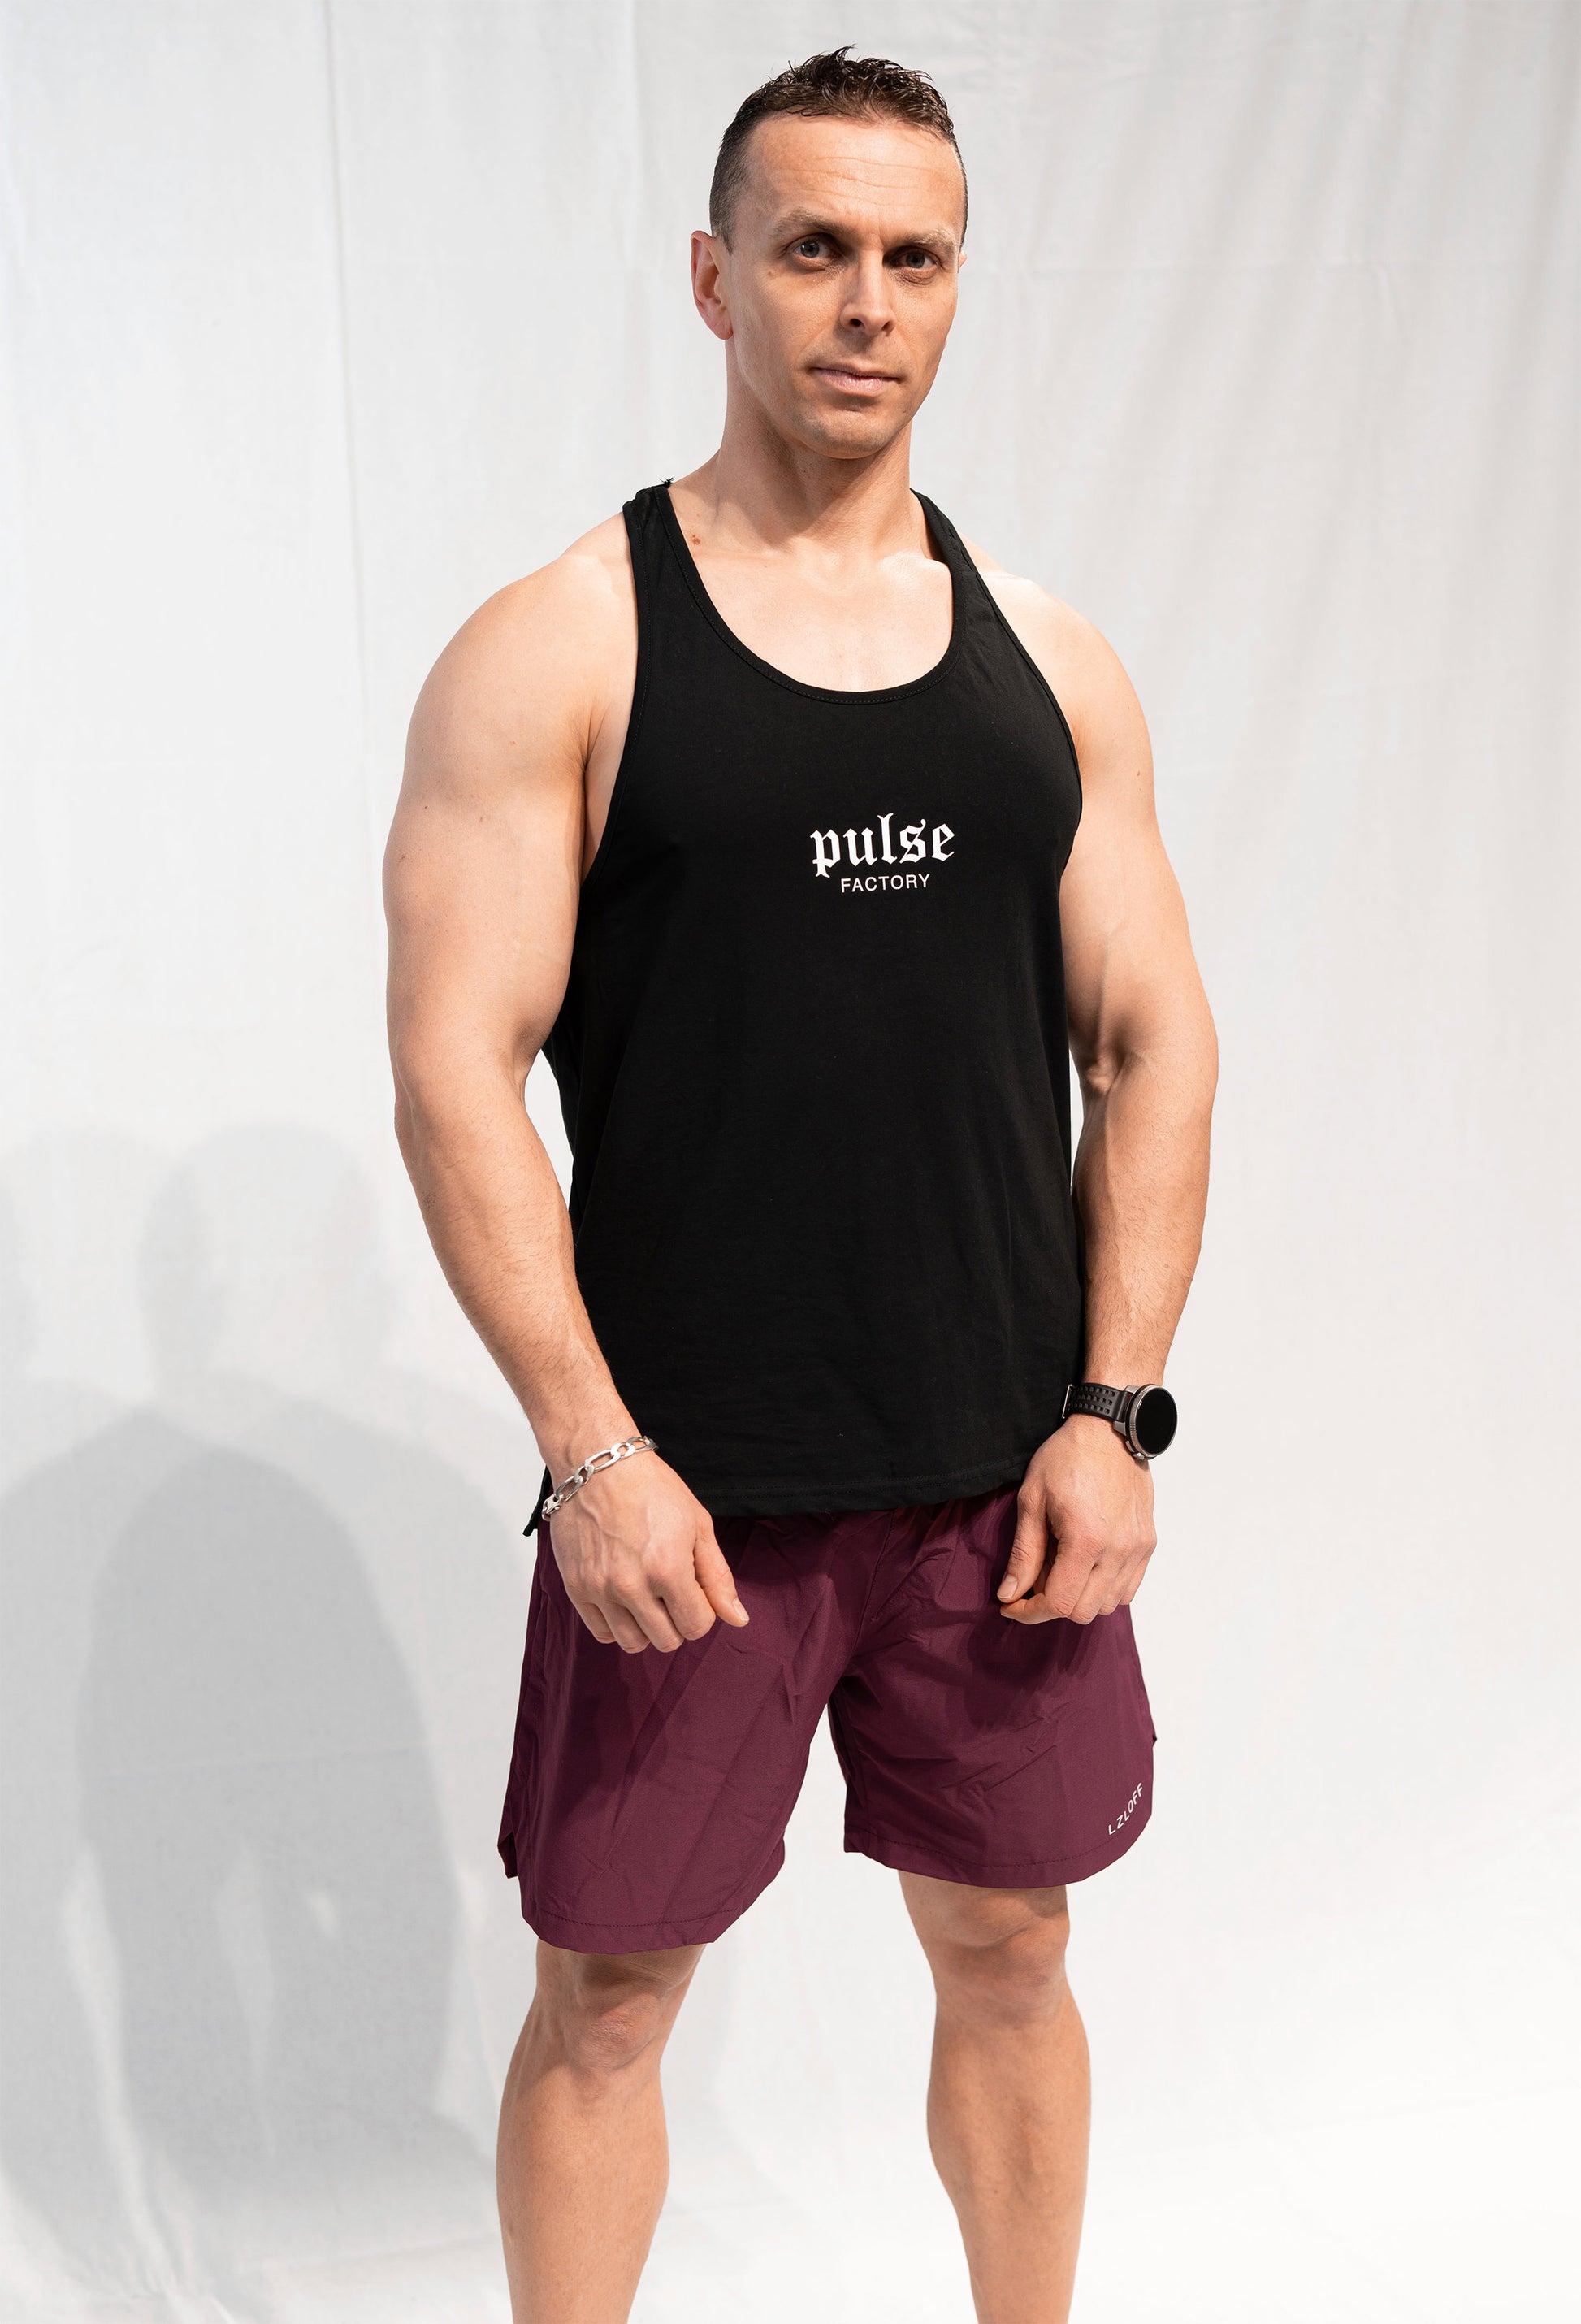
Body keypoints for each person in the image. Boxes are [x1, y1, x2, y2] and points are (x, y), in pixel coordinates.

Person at [383, 45, 1217, 2324]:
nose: (865, 303)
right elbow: (455, 1074)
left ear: (957, 286)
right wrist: (590, 1450)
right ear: (712, 275)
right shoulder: (566, 641)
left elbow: (1151, 1042)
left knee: (1013, 1946)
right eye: (814, 248)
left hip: (1002, 1482)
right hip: (688, 1497)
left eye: (912, 258)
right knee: (607, 1999)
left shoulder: (1050, 665)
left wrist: (1116, 1412)